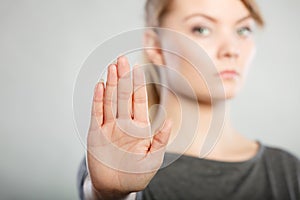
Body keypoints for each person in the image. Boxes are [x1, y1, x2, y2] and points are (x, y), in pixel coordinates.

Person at [77, 0, 300, 199]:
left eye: (243, 30)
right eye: (201, 29)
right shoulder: (119, 166)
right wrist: (110, 195)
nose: (231, 50)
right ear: (156, 47)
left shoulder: (288, 171)